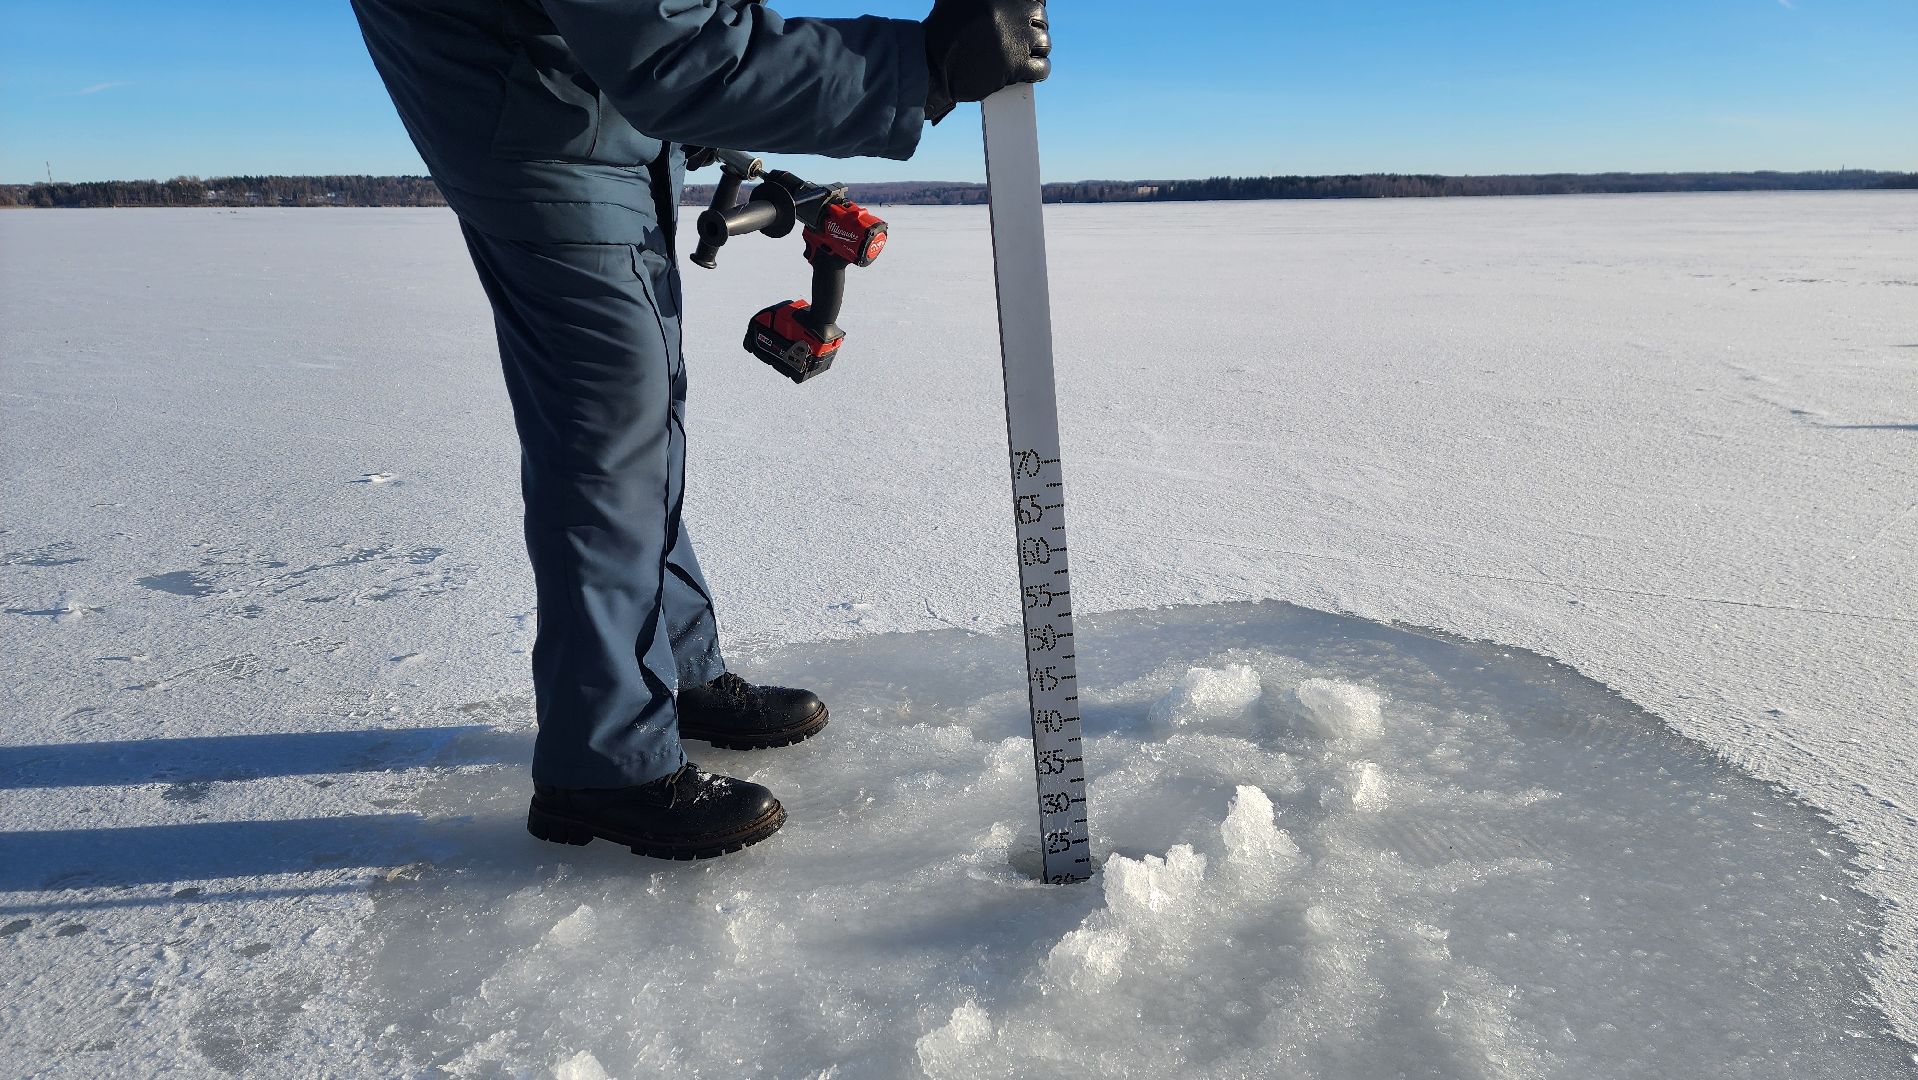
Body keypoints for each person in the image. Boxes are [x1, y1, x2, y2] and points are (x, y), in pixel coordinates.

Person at [348, 0, 1052, 859]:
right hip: (548, 143)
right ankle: (603, 764)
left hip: (584, 132)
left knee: (640, 434)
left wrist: (694, 143)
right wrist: (924, 68)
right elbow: (670, 46)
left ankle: (673, 677)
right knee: (606, 449)